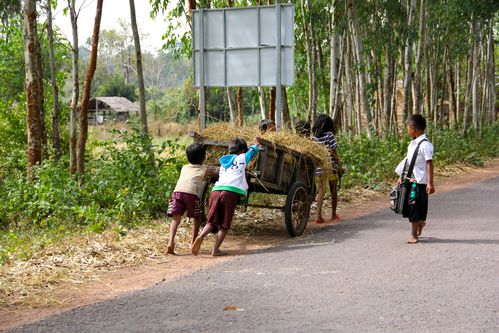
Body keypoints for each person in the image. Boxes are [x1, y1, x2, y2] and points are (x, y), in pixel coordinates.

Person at [191, 137, 261, 256]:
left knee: (212, 221)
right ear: (242, 151)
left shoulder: (223, 163)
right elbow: (252, 152)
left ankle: (201, 236)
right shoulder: (242, 158)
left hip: (216, 191)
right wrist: (256, 144)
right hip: (230, 192)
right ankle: (216, 250)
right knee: (224, 224)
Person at [166, 143, 216, 255]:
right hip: (191, 195)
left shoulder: (184, 167)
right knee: (197, 217)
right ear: (204, 157)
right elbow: (216, 175)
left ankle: (170, 242)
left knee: (176, 219)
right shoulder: (204, 169)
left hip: (177, 193)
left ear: (187, 157)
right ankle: (193, 242)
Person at [395, 114, 435, 244]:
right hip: (409, 180)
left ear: (413, 128)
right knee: (413, 206)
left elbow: (429, 163)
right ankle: (420, 223)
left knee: (415, 206)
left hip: (419, 182)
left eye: (407, 127)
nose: (407, 130)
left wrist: (430, 183)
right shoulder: (412, 144)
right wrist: (401, 177)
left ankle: (413, 234)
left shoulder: (425, 145)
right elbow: (408, 161)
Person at [312, 114, 344, 224]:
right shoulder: (330, 135)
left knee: (321, 190)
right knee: (333, 190)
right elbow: (334, 153)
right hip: (330, 167)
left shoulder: (314, 137)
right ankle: (333, 214)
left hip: (318, 168)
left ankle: (318, 216)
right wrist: (340, 166)